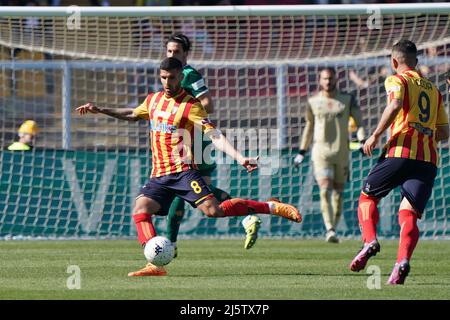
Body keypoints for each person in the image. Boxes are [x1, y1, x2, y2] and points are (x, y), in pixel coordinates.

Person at [76, 57, 302, 277]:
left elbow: (214, 135)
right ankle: (155, 263)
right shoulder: (153, 100)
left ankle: (271, 207)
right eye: (163, 77)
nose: (167, 82)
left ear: (180, 77)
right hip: (159, 175)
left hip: (183, 172)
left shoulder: (190, 105)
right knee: (140, 210)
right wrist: (101, 109)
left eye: (172, 78)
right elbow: (133, 114)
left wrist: (240, 157)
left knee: (214, 210)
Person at [349, 40, 449, 285]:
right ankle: (401, 262)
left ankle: (370, 240)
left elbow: (394, 104)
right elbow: (444, 132)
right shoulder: (434, 90)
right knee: (408, 213)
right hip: (427, 160)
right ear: (417, 61)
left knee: (367, 197)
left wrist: (374, 135)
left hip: (400, 151)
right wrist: (423, 132)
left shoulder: (397, 80)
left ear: (394, 62)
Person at [164, 33, 236, 255]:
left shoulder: (189, 74)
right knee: (197, 193)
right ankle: (247, 212)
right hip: (184, 139)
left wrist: (186, 113)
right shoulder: (170, 74)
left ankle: (170, 243)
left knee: (183, 189)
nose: (172, 55)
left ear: (186, 54)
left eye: (176, 52)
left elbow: (207, 103)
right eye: (169, 51)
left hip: (193, 140)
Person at [294, 67, 366, 243]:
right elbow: (309, 127)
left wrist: (363, 141)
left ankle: (333, 226)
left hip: (341, 153)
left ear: (336, 80)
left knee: (338, 194)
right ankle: (330, 229)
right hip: (320, 153)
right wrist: (302, 152)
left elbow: (359, 123)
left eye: (331, 78)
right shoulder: (312, 102)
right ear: (320, 80)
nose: (328, 82)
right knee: (325, 189)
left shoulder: (347, 100)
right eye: (325, 79)